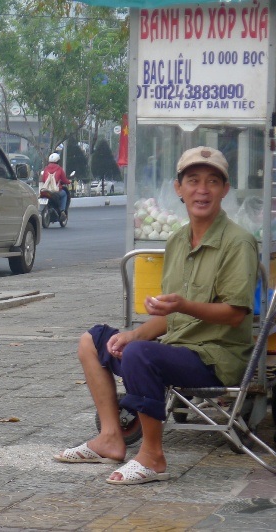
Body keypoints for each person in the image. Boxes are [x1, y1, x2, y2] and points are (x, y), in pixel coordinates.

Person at [54, 146, 258, 485]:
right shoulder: (178, 241)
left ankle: (152, 456)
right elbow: (170, 316)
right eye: (193, 181)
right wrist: (134, 334)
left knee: (140, 355)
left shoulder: (238, 242)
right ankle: (110, 437)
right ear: (178, 188)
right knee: (93, 341)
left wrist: (178, 309)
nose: (202, 190)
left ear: (225, 189)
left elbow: (235, 315)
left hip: (215, 358)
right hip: (175, 348)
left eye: (212, 182)